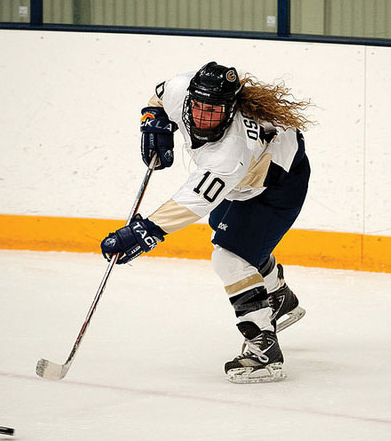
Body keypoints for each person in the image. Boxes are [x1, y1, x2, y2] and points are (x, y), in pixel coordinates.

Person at [101, 61, 312, 383]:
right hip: (251, 176)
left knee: (230, 258)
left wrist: (144, 232)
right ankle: (278, 297)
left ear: (230, 110)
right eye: (198, 107)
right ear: (189, 99)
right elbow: (158, 95)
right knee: (227, 230)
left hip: (278, 183)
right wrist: (153, 120)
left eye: (213, 111)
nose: (202, 117)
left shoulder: (231, 153)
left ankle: (264, 350)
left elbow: (192, 202)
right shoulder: (180, 89)